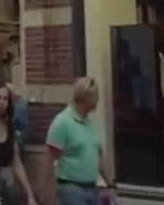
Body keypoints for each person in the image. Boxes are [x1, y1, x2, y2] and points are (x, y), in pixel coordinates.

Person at [45, 77, 116, 205]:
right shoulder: (62, 122)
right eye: (96, 96)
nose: (98, 101)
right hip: (71, 190)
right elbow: (49, 159)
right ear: (86, 98)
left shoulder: (88, 123)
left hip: (92, 189)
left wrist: (110, 185)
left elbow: (98, 156)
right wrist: (45, 191)